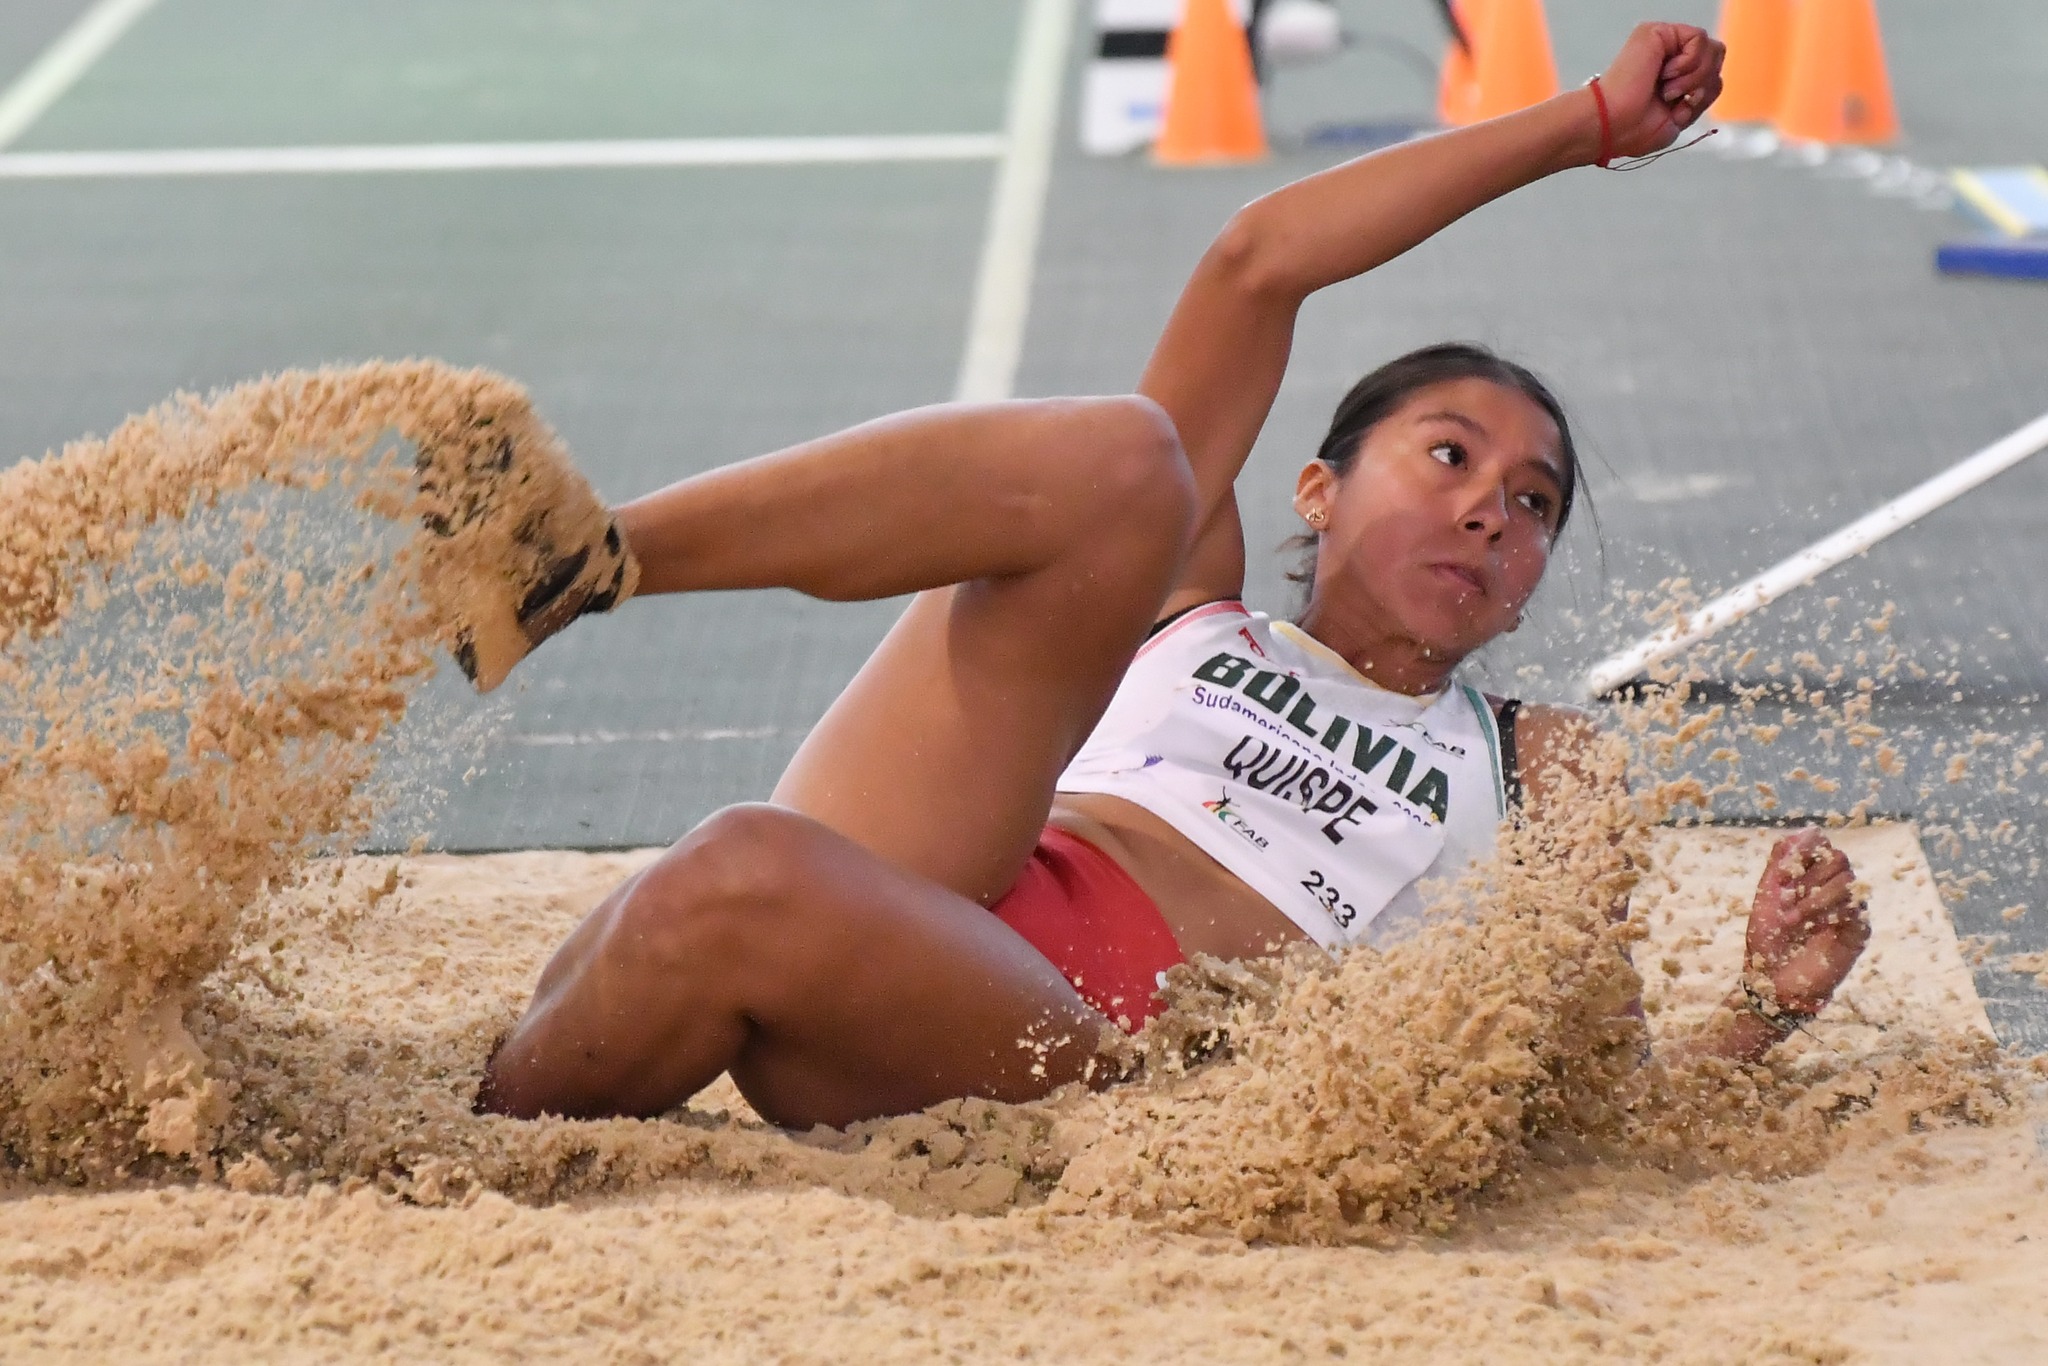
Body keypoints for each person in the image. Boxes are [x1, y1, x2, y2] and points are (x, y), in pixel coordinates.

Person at [472, 22, 1868, 1130]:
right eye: (1448, 455)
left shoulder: (1542, 767)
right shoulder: (1195, 610)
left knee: (739, 870)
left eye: (1533, 502)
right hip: (931, 904)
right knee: (1127, 462)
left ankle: (483, 1139)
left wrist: (1763, 1011)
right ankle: (585, 565)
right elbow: (1255, 266)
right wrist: (1586, 126)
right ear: (1319, 490)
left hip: (1085, 1052)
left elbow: (1595, 1092)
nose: (1487, 511)